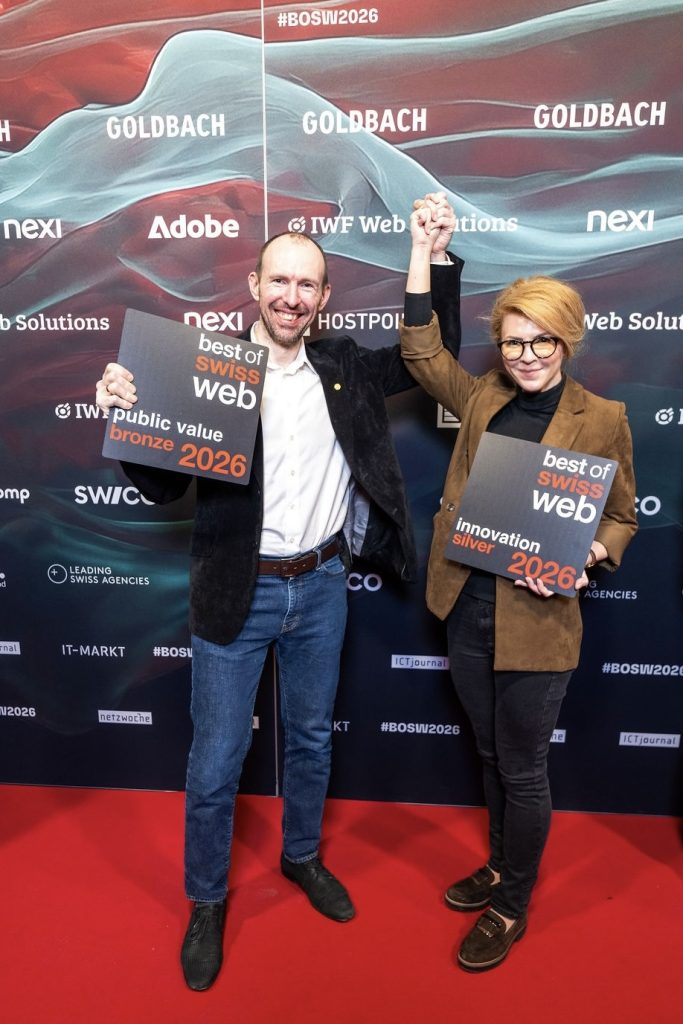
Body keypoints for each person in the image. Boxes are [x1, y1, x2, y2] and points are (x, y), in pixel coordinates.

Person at [95, 201, 461, 991]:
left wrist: (429, 258)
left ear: (323, 297)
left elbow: (432, 356)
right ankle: (206, 900)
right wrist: (127, 413)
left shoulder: (344, 367)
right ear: (255, 285)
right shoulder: (213, 369)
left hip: (322, 587)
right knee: (215, 762)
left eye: (307, 285)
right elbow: (160, 486)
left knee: (310, 741)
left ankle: (301, 857)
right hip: (238, 589)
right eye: (279, 281)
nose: (291, 297)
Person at [400, 202, 637, 972]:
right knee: (491, 754)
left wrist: (591, 552)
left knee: (524, 767)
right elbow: (419, 347)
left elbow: (622, 516)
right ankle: (501, 866)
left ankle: (510, 904)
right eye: (512, 341)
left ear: (565, 340)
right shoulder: (483, 397)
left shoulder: (601, 418)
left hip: (539, 620)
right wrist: (423, 252)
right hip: (466, 607)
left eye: (541, 341)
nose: (526, 355)